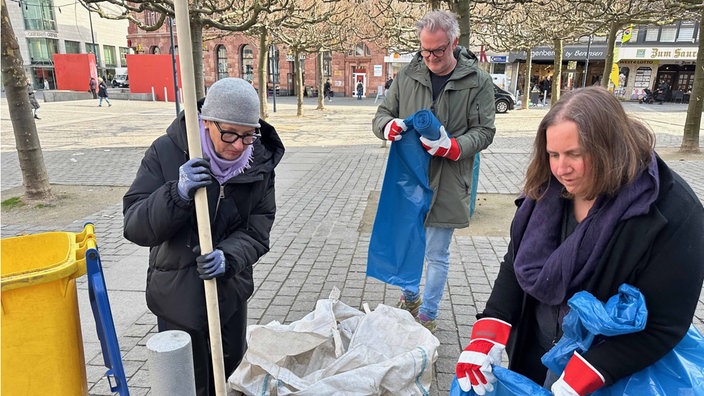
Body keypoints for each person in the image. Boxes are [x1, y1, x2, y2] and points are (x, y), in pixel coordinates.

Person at [455, 86, 704, 396]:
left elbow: (666, 324)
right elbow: (519, 262)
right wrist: (491, 329)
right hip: (536, 352)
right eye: (553, 154)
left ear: (609, 148)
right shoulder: (547, 189)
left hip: (611, 374)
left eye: (574, 154)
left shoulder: (674, 212)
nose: (561, 169)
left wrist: (589, 372)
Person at [123, 78, 285, 396]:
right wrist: (176, 194)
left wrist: (229, 256)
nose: (239, 145)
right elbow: (135, 226)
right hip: (175, 297)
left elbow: (258, 229)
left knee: (228, 380)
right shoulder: (167, 152)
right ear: (207, 122)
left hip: (229, 296)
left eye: (248, 135)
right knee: (185, 384)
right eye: (230, 133)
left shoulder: (260, 164)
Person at [372, 10, 496, 333]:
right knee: (409, 240)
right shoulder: (407, 75)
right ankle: (410, 296)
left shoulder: (478, 80)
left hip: (450, 180)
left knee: (437, 253)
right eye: (425, 50)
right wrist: (388, 126)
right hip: (409, 177)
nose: (430, 57)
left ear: (454, 43)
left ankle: (428, 312)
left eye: (438, 50)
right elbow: (382, 114)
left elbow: (484, 131)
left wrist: (453, 146)